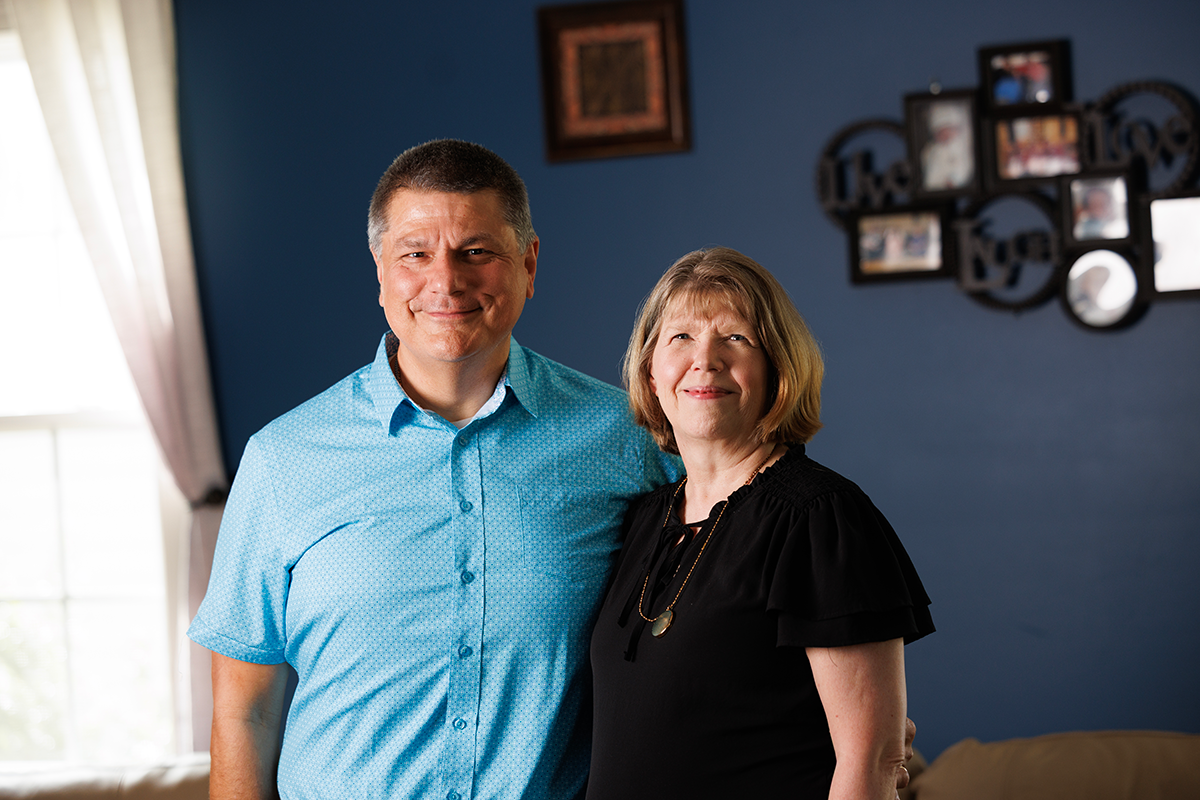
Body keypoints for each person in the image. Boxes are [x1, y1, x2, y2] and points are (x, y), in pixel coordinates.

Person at [187, 140, 682, 800]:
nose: (445, 282)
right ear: (381, 270)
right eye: (416, 254)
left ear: (529, 264)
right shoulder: (283, 461)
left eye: (476, 252)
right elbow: (243, 713)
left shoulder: (632, 439)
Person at [587, 247, 935, 799]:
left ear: (777, 369)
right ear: (651, 372)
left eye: (736, 339)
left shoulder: (819, 518)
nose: (705, 360)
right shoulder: (644, 517)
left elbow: (871, 762)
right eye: (680, 338)